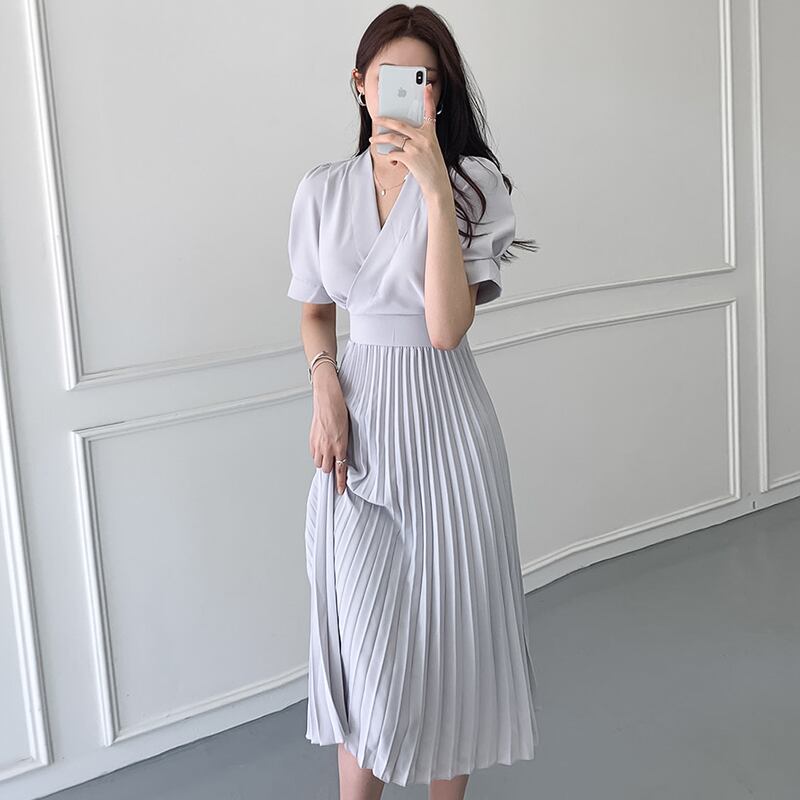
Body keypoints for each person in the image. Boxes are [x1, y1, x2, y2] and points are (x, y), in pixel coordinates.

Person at [286, 6, 540, 799]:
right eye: (388, 76)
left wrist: (433, 190)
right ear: (360, 86)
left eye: (421, 78)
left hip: (446, 430)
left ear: (439, 91)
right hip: (356, 428)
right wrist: (325, 386)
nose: (403, 91)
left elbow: (444, 329)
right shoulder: (322, 191)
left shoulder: (471, 186)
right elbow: (314, 310)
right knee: (361, 652)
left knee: (449, 645)